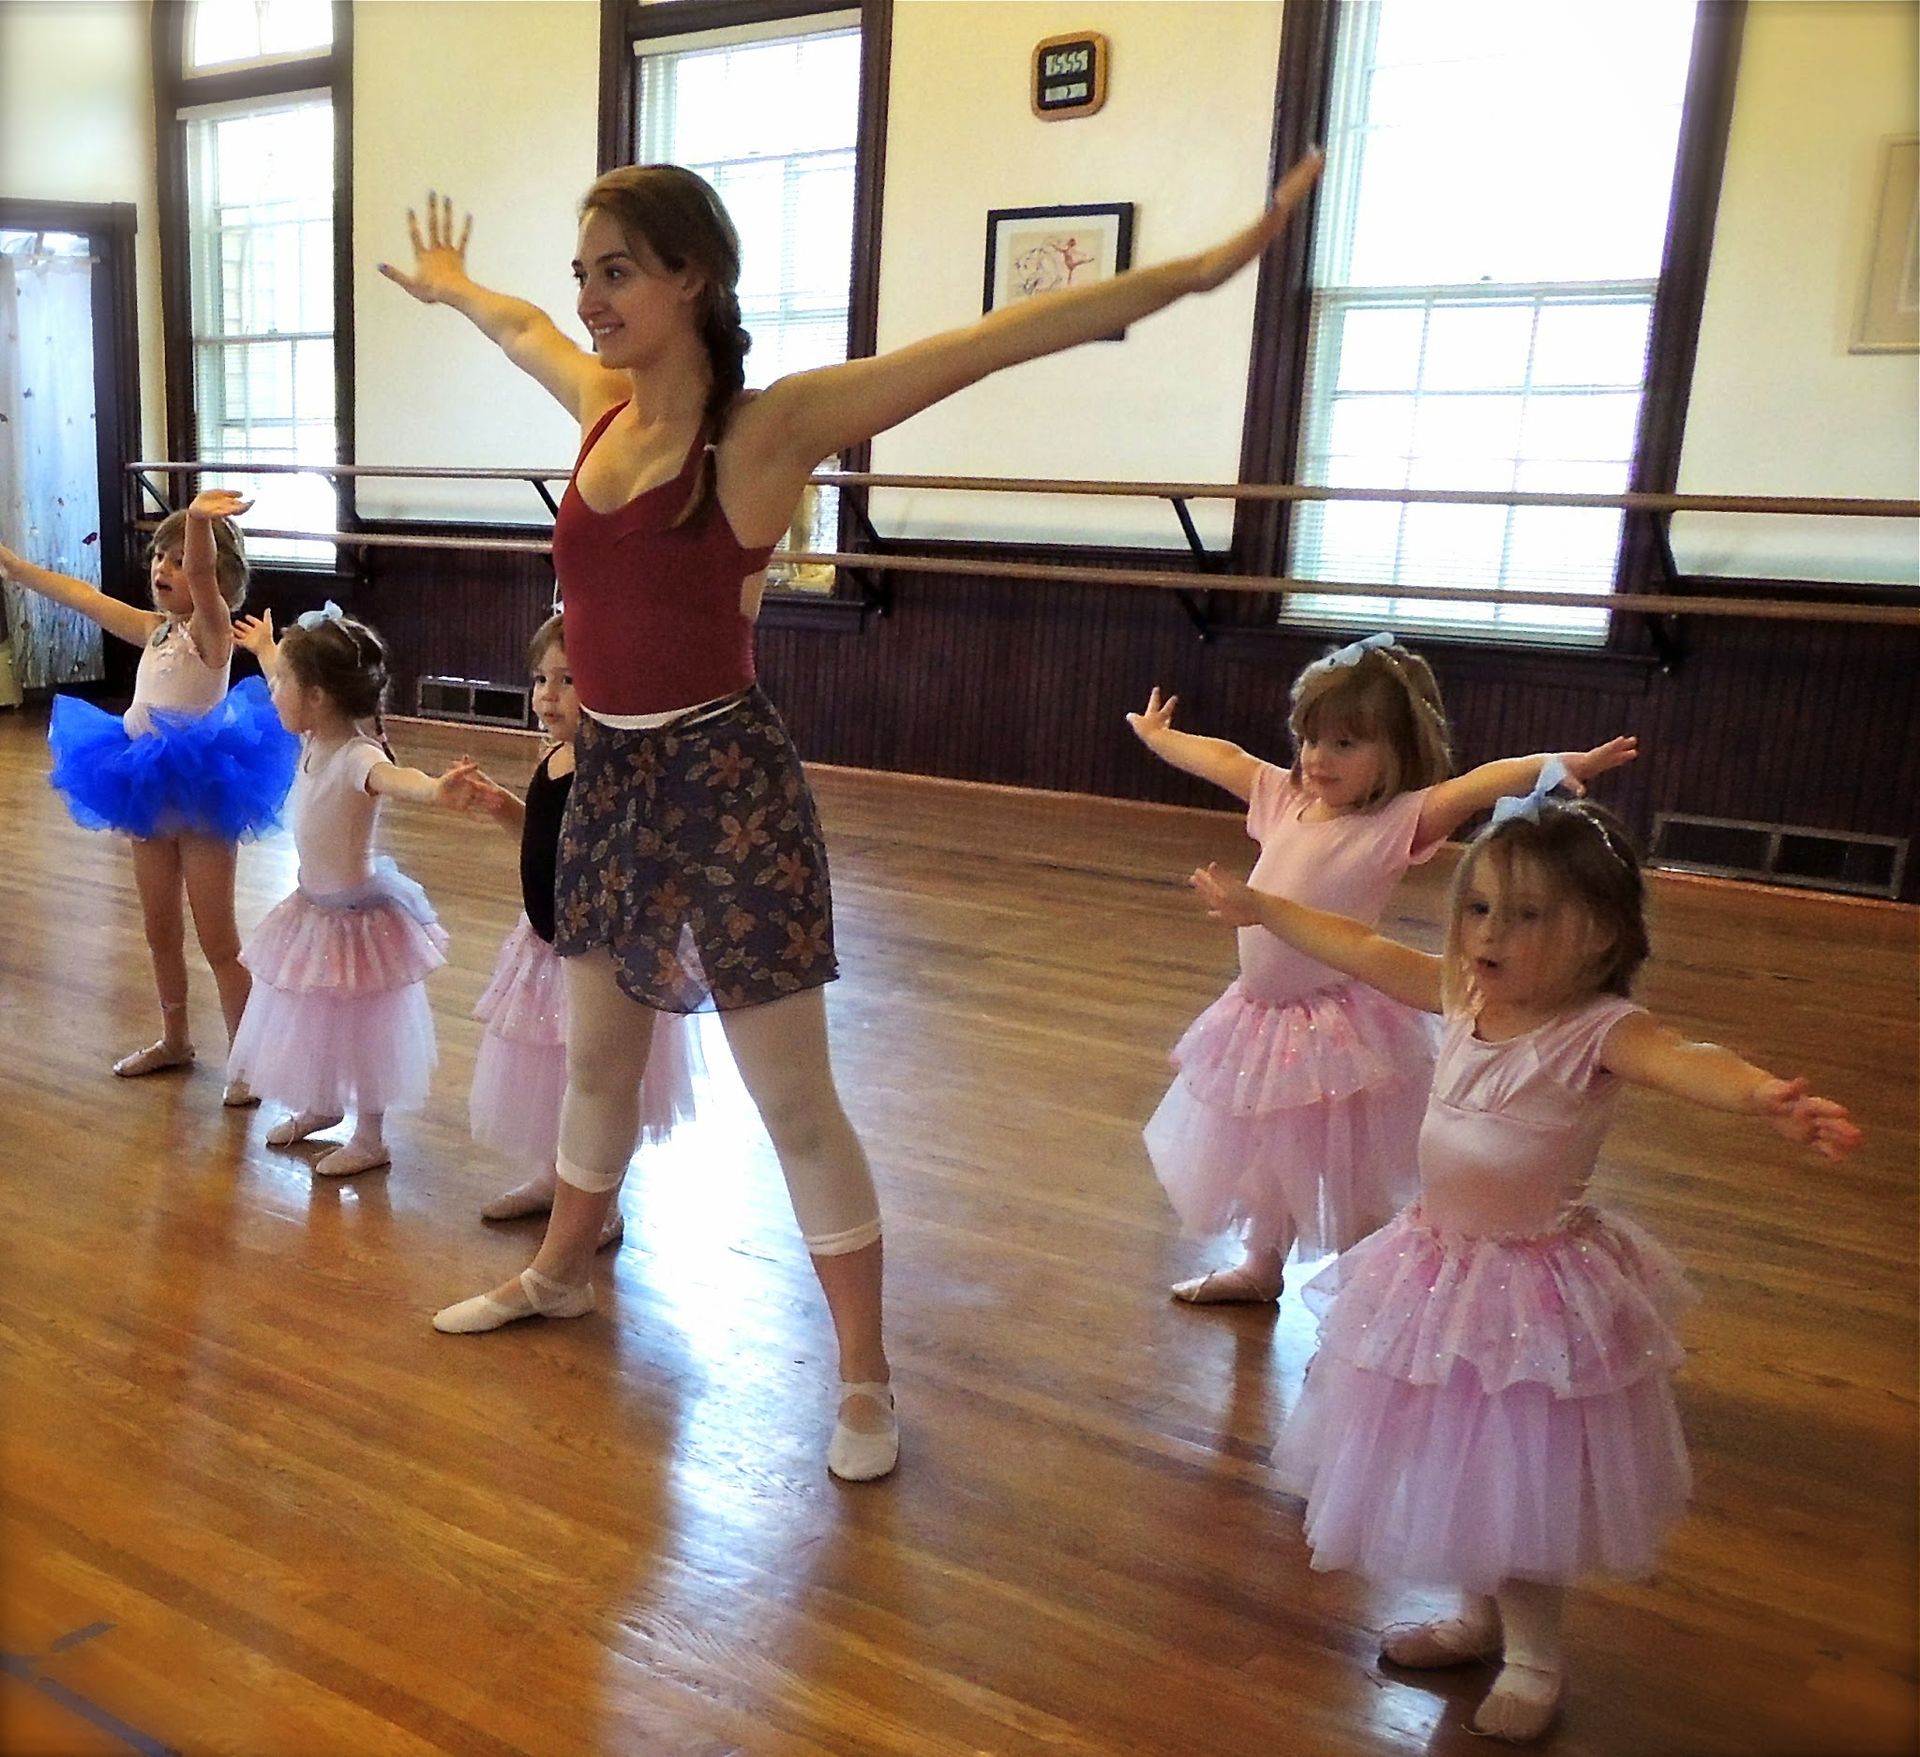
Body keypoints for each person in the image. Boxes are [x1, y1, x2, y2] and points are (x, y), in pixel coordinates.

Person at [382, 149, 1327, 1481]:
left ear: (690, 277)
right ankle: (562, 1272)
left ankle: (867, 1381)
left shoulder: (763, 432)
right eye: (583, 272)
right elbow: (520, 328)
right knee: (597, 1060)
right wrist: (451, 284)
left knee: (797, 1104)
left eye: (617, 272)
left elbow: (992, 340)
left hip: (725, 788)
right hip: (610, 779)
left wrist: (1202, 269)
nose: (587, 300)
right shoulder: (601, 407)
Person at [1191, 775, 1861, 1742]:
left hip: (1532, 1286)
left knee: (1520, 1471)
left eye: (1526, 915)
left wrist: (1761, 1095)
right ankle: (1472, 1615)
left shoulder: (1598, 1030)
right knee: (1458, 1459)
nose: (1488, 934)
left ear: (1597, 933)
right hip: (1434, 1268)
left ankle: (1536, 1655)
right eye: (1477, 909)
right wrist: (1263, 907)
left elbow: (1685, 1055)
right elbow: (1363, 946)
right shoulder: (1461, 995)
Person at [1129, 633, 1636, 1303]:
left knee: (1344, 1169)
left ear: (1394, 754)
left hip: (1333, 1026)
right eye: (1311, 739)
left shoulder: (1396, 820)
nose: (1318, 758)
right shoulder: (1283, 797)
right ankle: (1259, 1266)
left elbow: (1474, 786)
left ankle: (1364, 1293)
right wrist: (1160, 737)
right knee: (1263, 1154)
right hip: (1257, 1017)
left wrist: (1550, 764)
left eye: (1345, 744)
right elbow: (1223, 757)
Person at [0, 492, 295, 1099]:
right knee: (159, 929)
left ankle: (246, 1060)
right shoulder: (154, 630)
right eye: (159, 557)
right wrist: (15, 567)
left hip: (203, 790)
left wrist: (200, 521)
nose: (163, 567)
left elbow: (207, 579)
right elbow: (82, 597)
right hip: (142, 782)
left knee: (218, 937)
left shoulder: (211, 633)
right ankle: (176, 1038)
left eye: (177, 560)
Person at [460, 614, 701, 1248]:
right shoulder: (555, 755)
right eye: (542, 679)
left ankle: (601, 1199)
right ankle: (552, 1177)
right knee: (553, 1073)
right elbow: (545, 841)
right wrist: (505, 809)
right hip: (545, 943)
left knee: (596, 1075)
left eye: (568, 681)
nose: (547, 695)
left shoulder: (607, 768)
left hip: (594, 949)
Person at [226, 606, 469, 1177]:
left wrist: (436, 790)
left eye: (281, 683)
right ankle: (321, 1104)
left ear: (315, 697)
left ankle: (371, 1136)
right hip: (312, 907)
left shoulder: (359, 754)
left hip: (356, 916)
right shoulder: (312, 731)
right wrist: (265, 648)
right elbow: (283, 675)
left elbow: (396, 779)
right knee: (314, 1011)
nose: (272, 690)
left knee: (363, 1028)